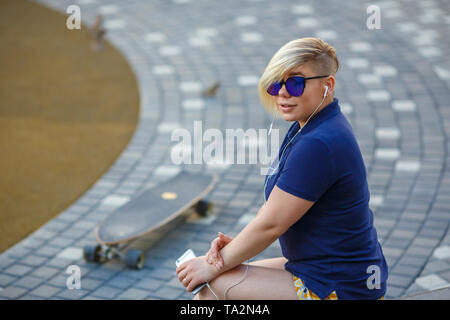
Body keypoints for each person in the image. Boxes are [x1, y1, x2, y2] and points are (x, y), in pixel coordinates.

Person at [176, 37, 388, 300]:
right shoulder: (309, 126)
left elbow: (271, 225)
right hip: (322, 269)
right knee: (224, 273)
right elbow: (275, 209)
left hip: (340, 287)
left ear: (327, 85)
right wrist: (235, 249)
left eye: (296, 82)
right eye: (276, 83)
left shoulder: (320, 143)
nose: (283, 93)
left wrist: (210, 264)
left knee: (213, 288)